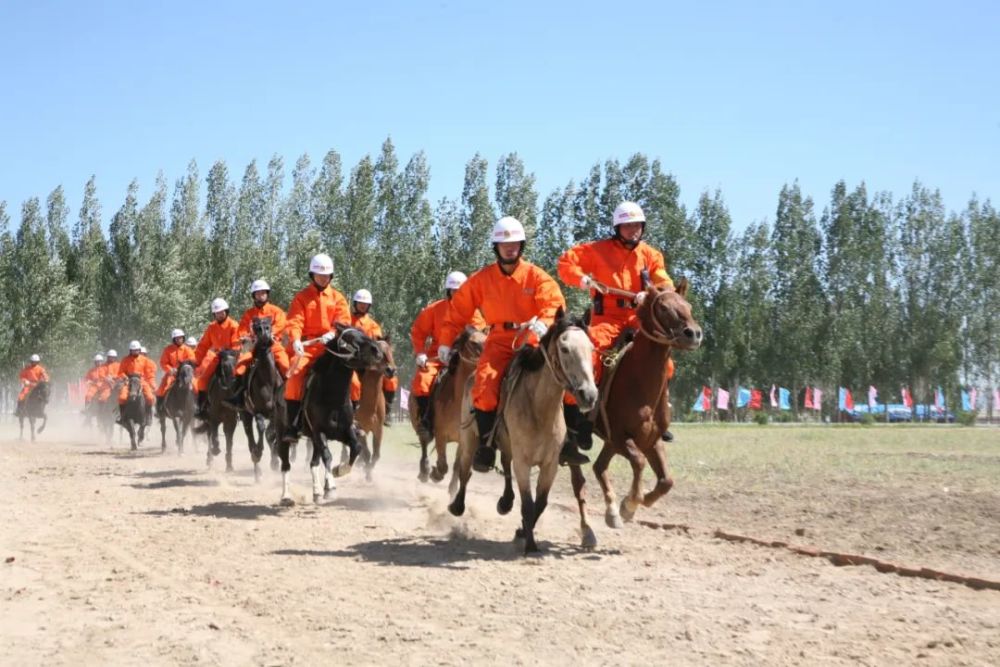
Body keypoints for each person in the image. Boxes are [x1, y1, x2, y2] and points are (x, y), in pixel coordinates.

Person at [438, 216, 566, 473]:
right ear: (495, 247)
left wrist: (544, 322)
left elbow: (554, 303)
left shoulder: (536, 276)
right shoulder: (481, 279)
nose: (510, 248)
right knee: (484, 386)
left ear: (522, 245)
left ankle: (570, 438)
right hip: (498, 341)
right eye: (504, 244)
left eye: (515, 243)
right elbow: (457, 312)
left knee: (566, 377)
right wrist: (444, 342)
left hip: (533, 338)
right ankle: (486, 446)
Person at [557, 201, 676, 453]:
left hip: (638, 317)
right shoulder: (596, 250)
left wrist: (653, 293)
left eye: (637, 226)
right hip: (606, 319)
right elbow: (566, 264)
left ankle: (660, 415)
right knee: (591, 360)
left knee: (665, 364)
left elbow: (665, 282)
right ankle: (578, 422)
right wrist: (583, 278)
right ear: (617, 228)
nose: (633, 230)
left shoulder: (651, 255)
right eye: (628, 226)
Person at [282, 253, 352, 443]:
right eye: (320, 275)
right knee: (295, 378)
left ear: (331, 276)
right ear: (312, 275)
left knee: (354, 381)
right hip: (308, 348)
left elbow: (344, 321)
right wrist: (296, 339)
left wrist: (333, 332)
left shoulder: (338, 298)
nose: (323, 278)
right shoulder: (301, 297)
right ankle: (293, 425)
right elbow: (294, 321)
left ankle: (351, 422)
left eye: (327, 275)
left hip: (332, 348)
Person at [409, 271, 486, 434]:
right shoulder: (434, 309)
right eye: (453, 290)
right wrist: (420, 353)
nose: (457, 294)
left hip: (465, 358)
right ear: (448, 291)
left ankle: (485, 424)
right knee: (422, 381)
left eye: (460, 290)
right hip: (438, 357)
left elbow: (479, 334)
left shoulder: (474, 312)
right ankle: (426, 420)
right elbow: (418, 332)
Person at [227, 279, 290, 406]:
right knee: (240, 366)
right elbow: (242, 330)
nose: (260, 296)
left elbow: (281, 324)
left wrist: (272, 333)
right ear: (254, 296)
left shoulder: (276, 311)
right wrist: (247, 337)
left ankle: (289, 395)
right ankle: (238, 397)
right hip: (254, 346)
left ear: (267, 294)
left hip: (272, 344)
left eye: (263, 293)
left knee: (285, 364)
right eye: (257, 293)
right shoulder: (249, 314)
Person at [193, 298, 240, 419]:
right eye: (217, 313)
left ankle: (241, 403)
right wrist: (196, 361)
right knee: (203, 379)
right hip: (218, 357)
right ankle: (201, 406)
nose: (220, 314)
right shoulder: (211, 327)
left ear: (226, 311)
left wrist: (230, 352)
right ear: (214, 314)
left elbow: (236, 343)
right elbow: (203, 345)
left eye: (222, 312)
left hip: (232, 357)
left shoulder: (233, 325)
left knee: (241, 375)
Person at [348, 289, 383, 408]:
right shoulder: (348, 320)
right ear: (355, 304)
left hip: (368, 362)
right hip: (351, 361)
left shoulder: (373, 324)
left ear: (369, 306)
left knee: (392, 382)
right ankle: (353, 409)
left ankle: (386, 409)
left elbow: (378, 340)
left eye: (365, 304)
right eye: (360, 303)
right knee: (354, 384)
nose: (362, 306)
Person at [156, 328, 196, 415]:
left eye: (181, 338)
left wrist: (187, 368)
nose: (179, 340)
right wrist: (170, 369)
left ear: (183, 338)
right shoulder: (168, 350)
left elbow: (192, 360)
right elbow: (163, 362)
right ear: (173, 339)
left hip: (186, 374)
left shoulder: (187, 349)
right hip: (172, 374)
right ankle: (160, 409)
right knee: (162, 389)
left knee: (196, 386)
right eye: (177, 338)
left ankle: (197, 406)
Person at [116, 341, 157, 425]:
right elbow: (120, 372)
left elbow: (149, 373)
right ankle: (122, 417)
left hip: (141, 381)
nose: (135, 352)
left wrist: (150, 381)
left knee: (150, 397)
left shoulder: (145, 360)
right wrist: (125, 378)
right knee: (122, 398)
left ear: (139, 350)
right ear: (130, 351)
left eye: (137, 350)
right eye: (133, 350)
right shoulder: (125, 360)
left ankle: (148, 416)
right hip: (129, 381)